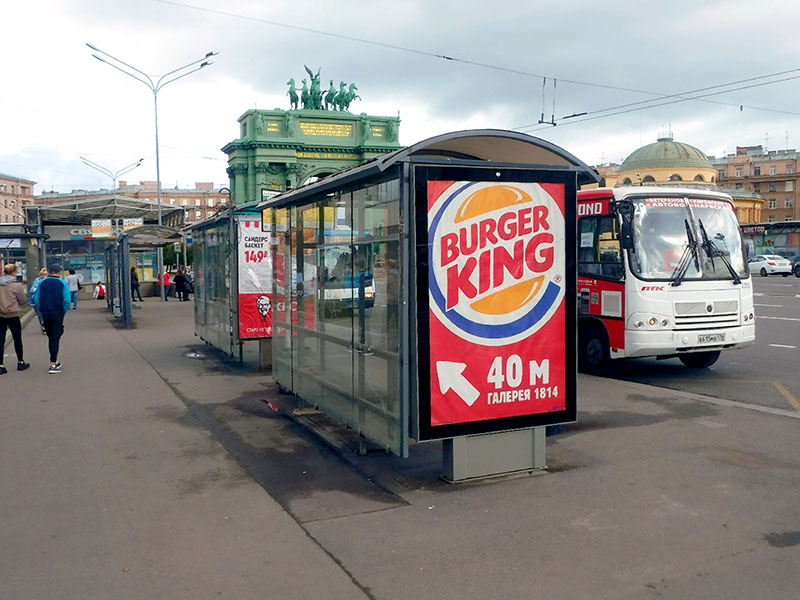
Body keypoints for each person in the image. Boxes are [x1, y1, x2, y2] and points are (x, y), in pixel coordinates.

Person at [33, 263, 70, 374]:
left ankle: (54, 360)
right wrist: (63, 312)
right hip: (57, 312)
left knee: (51, 336)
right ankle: (53, 363)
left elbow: (36, 299)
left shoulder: (41, 282)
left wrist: (42, 309)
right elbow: (67, 300)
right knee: (55, 337)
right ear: (59, 272)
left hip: (46, 312)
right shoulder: (62, 283)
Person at [0, 263, 31, 374]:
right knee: (17, 338)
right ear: (13, 272)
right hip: (13, 314)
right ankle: (20, 362)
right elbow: (22, 300)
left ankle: (1, 365)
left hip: (0, 315)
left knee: (0, 340)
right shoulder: (16, 286)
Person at [29, 267, 49, 334]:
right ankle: (43, 326)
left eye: (44, 275)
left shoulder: (48, 281)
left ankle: (47, 326)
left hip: (47, 300)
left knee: (47, 314)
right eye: (42, 275)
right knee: (40, 315)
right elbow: (32, 290)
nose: (43, 276)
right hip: (37, 301)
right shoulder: (37, 280)